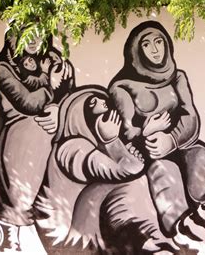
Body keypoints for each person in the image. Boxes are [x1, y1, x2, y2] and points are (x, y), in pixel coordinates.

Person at [34, 86, 180, 254]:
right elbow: (128, 170)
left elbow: (135, 164)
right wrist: (112, 142)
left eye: (101, 99)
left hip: (85, 224)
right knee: (128, 182)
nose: (103, 102)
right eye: (92, 103)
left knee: (156, 170)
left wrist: (123, 142)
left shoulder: (93, 144)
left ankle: (150, 237)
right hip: (67, 238)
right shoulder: (70, 148)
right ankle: (146, 240)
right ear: (78, 117)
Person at [109, 21, 205, 242]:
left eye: (159, 42)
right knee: (165, 173)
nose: (156, 49)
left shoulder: (177, 77)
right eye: (147, 44)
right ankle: (182, 232)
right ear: (137, 50)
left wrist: (172, 139)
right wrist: (147, 131)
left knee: (203, 157)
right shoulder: (122, 86)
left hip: (179, 145)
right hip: (148, 153)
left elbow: (191, 117)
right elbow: (124, 131)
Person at [0, 32, 75, 251]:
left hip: (54, 125)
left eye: (39, 34)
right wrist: (50, 85)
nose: (34, 40)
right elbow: (27, 103)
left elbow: (69, 92)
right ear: (13, 38)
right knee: (34, 133)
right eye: (27, 34)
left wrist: (59, 112)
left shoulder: (54, 59)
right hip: (18, 129)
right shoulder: (3, 67)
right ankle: (12, 227)